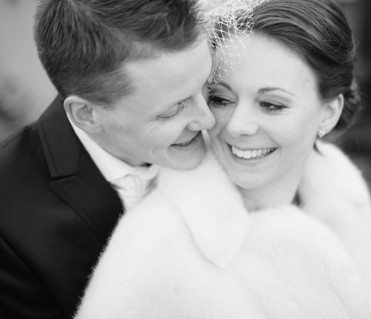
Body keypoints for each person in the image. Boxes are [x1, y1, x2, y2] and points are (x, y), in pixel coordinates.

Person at [74, 0, 371, 318]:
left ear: (329, 113)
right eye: (221, 99)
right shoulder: (156, 250)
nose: (237, 126)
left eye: (271, 104)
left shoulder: (343, 190)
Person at [0, 0, 214, 318]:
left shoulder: (240, 124)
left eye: (210, 86)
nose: (209, 120)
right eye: (172, 109)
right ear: (87, 115)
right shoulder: (8, 226)